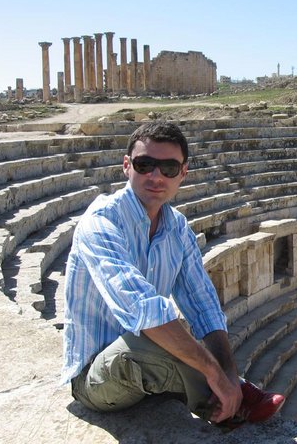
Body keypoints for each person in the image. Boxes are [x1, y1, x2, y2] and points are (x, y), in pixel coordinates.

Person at [61, 121, 284, 427]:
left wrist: (229, 372)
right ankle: (233, 401)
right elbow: (143, 310)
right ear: (126, 166)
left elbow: (203, 304)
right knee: (153, 336)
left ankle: (234, 390)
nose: (155, 176)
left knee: (170, 337)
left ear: (183, 173)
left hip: (145, 360)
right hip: (95, 378)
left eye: (168, 168)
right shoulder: (101, 223)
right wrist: (215, 373)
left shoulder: (177, 227)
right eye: (144, 165)